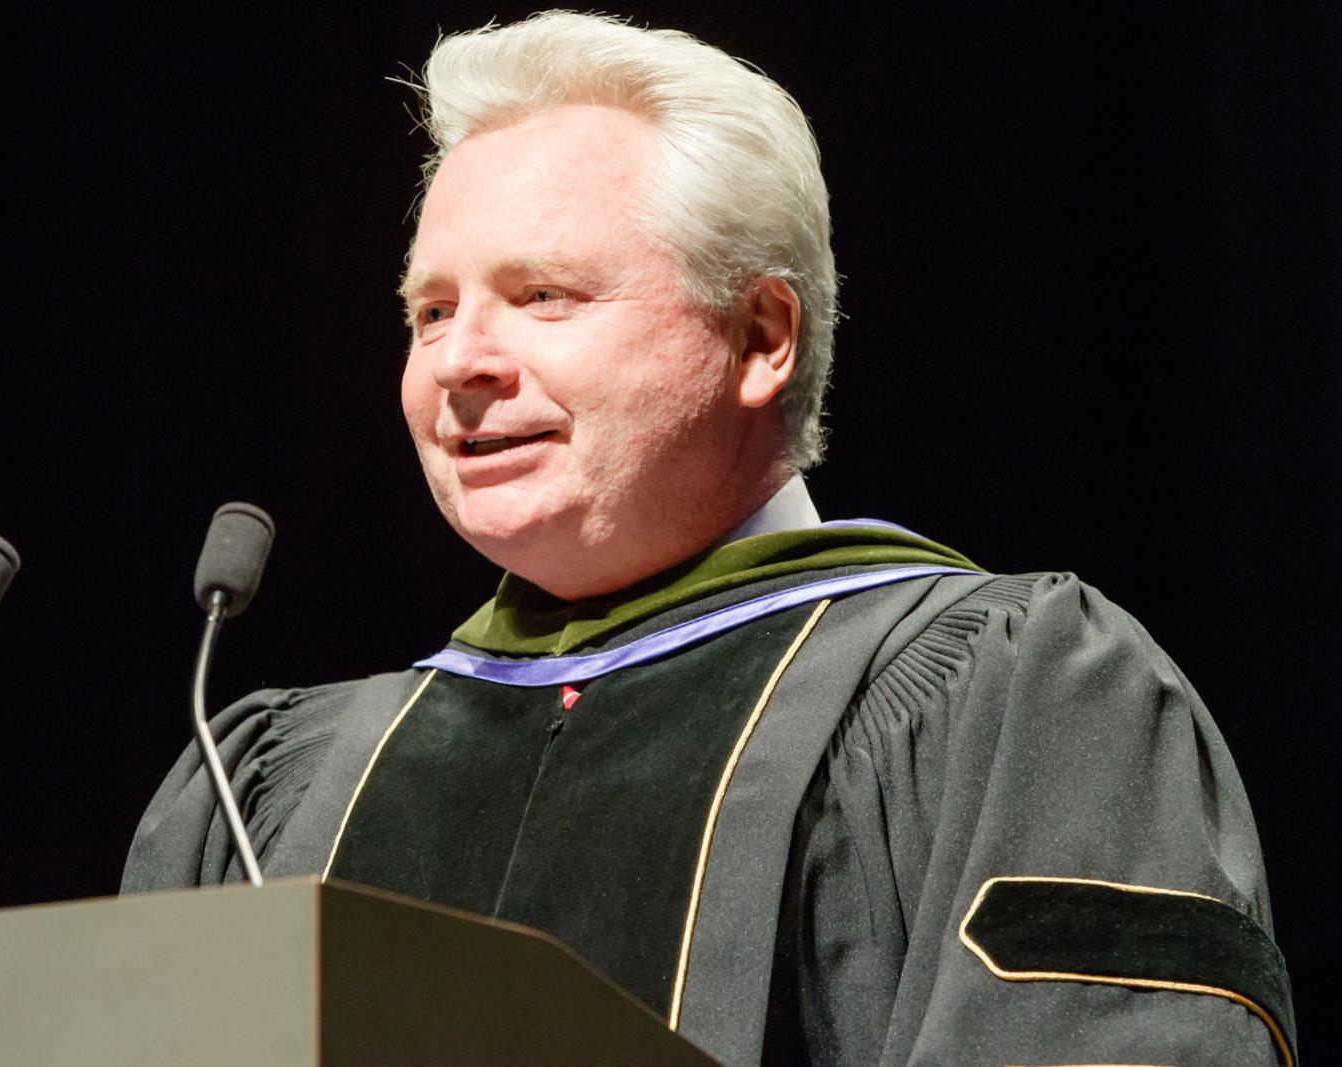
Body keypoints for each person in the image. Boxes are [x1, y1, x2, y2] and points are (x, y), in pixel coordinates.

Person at [122, 12, 1295, 1065]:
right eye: (432, 310)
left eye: (544, 295)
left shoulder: (1014, 697)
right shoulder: (277, 784)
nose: (460, 363)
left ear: (760, 337)